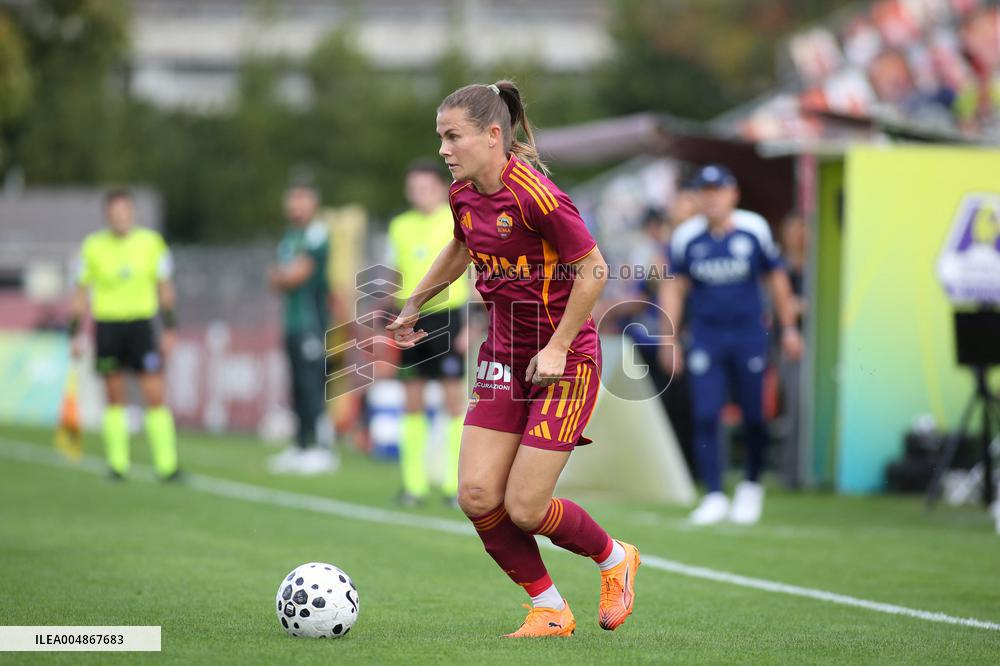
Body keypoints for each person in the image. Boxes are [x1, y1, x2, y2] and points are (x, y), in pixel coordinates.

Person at [387, 81, 640, 638]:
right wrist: (414, 303)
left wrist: (556, 347)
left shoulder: (537, 195)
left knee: (525, 508)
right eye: (440, 139)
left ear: (492, 135)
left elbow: (594, 269)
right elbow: (461, 246)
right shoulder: (462, 194)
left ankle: (614, 558)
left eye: (453, 137)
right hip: (502, 356)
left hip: (564, 362)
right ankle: (549, 608)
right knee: (477, 495)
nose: (444, 150)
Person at [659, 164, 802, 526]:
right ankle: (714, 493)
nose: (711, 197)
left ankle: (752, 485)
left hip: (749, 335)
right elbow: (674, 287)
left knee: (755, 414)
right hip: (706, 336)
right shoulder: (686, 237)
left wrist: (788, 327)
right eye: (704, 191)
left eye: (717, 190)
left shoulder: (754, 229)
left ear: (732, 194)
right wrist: (669, 338)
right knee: (706, 414)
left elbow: (776, 278)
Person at [69, 189, 180, 481]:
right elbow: (80, 292)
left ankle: (167, 465)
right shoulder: (92, 246)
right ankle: (118, 464)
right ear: (107, 215)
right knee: (114, 394)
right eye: (114, 212)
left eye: (124, 212)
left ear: (132, 213)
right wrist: (75, 332)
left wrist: (169, 328)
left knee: (154, 393)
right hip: (107, 327)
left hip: (141, 326)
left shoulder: (151, 244)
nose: (120, 218)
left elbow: (165, 288)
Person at [386, 159, 470, 507]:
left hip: (448, 316)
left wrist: (472, 324)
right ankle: (414, 486)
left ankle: (454, 486)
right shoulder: (399, 226)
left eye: (424, 187)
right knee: (412, 400)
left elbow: (476, 270)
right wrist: (390, 317)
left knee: (453, 402)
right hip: (410, 318)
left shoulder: (456, 219)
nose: (418, 194)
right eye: (413, 188)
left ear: (439, 188)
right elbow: (394, 272)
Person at [268, 185, 338, 475]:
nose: (296, 207)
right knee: (296, 385)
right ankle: (300, 445)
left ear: (313, 204)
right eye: (292, 201)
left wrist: (285, 275)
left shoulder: (316, 234)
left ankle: (321, 449)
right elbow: (274, 278)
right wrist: (284, 275)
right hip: (292, 321)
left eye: (302, 201)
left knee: (312, 384)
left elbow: (297, 274)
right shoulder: (290, 236)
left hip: (312, 320)